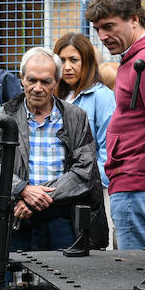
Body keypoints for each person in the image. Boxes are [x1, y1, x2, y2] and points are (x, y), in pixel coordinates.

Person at [0, 47, 102, 253]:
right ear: (21, 79)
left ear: (56, 81)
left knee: (63, 280)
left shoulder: (75, 117)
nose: (37, 88)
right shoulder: (4, 116)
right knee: (15, 281)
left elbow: (84, 170)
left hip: (61, 216)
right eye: (31, 80)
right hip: (15, 215)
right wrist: (23, 190)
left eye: (45, 82)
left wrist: (36, 200)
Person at [87, 0, 145, 250]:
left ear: (134, 19)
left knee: (138, 276)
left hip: (141, 186)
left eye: (109, 26)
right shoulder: (139, 59)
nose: (102, 36)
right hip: (141, 187)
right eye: (97, 29)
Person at [54, 32, 114, 242]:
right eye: (62, 60)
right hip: (59, 191)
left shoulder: (101, 96)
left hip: (92, 191)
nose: (67, 66)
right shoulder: (55, 97)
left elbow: (108, 146)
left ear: (86, 62)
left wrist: (94, 185)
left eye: (74, 60)